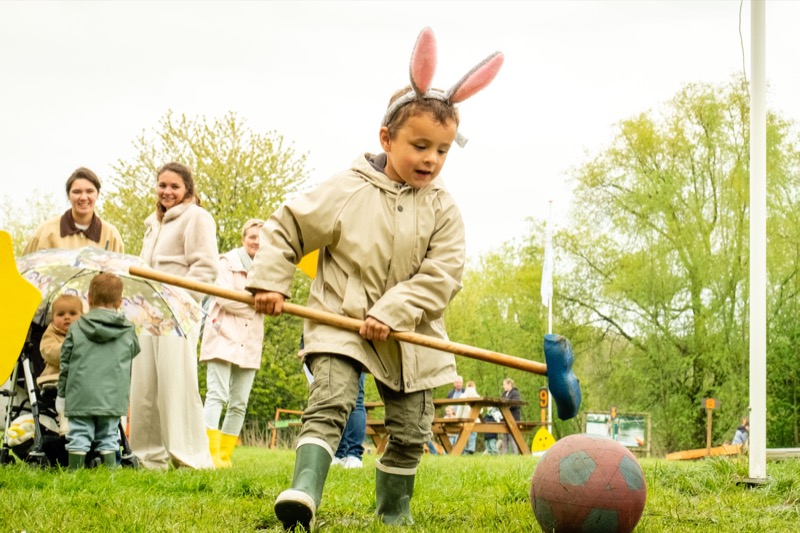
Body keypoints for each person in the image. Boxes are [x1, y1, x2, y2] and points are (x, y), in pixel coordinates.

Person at [247, 27, 503, 530]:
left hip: (412, 334)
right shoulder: (346, 189)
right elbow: (287, 228)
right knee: (331, 398)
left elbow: (443, 275)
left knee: (411, 428)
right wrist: (270, 281)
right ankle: (303, 492)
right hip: (341, 321)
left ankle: (394, 511)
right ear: (386, 137)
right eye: (420, 145)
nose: (431, 159)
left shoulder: (444, 209)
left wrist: (393, 311)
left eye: (443, 150)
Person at [129, 162, 219, 470]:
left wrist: (182, 305)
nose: (167, 191)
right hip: (147, 312)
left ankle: (189, 457)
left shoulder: (197, 217)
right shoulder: (153, 223)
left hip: (177, 312)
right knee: (144, 386)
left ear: (188, 190)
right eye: (162, 185)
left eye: (174, 186)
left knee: (176, 384)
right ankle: (147, 457)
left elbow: (206, 268)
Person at [57, 273, 140, 470]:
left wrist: (61, 393)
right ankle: (110, 473)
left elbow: (65, 362)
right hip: (113, 395)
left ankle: (74, 472)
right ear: (119, 302)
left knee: (78, 433)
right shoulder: (128, 329)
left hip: (80, 393)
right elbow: (134, 351)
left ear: (89, 299)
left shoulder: (76, 327)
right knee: (110, 434)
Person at [200, 218, 265, 468]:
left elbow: (274, 302)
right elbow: (224, 298)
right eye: (252, 237)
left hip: (249, 340)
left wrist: (257, 304)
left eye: (262, 238)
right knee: (217, 394)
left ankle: (224, 457)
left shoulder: (268, 267)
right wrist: (255, 305)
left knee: (239, 402)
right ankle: (208, 454)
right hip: (223, 333)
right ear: (243, 238)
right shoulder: (227, 262)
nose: (257, 242)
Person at [23, 167, 124, 254]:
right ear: (68, 195)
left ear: (97, 194)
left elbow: (121, 274)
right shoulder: (46, 232)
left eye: (90, 191)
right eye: (77, 192)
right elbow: (24, 270)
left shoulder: (111, 235)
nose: (83, 197)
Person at [37, 294, 83, 389]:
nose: (67, 317)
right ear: (52, 318)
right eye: (61, 314)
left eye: (72, 313)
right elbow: (48, 351)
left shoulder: (85, 334)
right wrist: (69, 347)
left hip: (80, 378)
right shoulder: (51, 334)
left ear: (82, 317)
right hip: (55, 377)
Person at [456, 380, 480, 454]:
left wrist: (457, 418)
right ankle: (471, 449)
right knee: (473, 435)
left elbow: (460, 409)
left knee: (463, 435)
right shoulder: (477, 396)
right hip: (475, 420)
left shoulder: (463, 396)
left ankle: (462, 450)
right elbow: (481, 411)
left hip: (464, 419)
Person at [500, 378, 522, 454]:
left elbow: (516, 404)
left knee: (512, 437)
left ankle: (515, 453)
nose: (503, 386)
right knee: (505, 437)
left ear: (510, 384)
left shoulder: (515, 393)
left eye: (505, 384)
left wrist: (507, 406)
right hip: (505, 419)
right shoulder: (504, 393)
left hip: (513, 418)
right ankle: (504, 454)